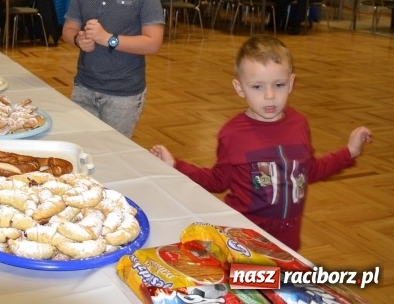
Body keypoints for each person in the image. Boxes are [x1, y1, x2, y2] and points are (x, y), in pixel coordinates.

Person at [151, 35, 372, 251]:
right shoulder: (233, 133)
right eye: (257, 87)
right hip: (244, 240)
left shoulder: (299, 124)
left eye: (279, 85)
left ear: (291, 82)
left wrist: (349, 152)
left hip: (288, 242)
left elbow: (308, 172)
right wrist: (175, 166)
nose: (269, 95)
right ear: (240, 88)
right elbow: (218, 180)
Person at [62, 0, 164, 138]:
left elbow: (153, 43)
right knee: (81, 147)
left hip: (124, 95)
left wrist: (108, 38)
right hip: (84, 88)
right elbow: (68, 30)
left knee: (113, 154)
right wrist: (79, 39)